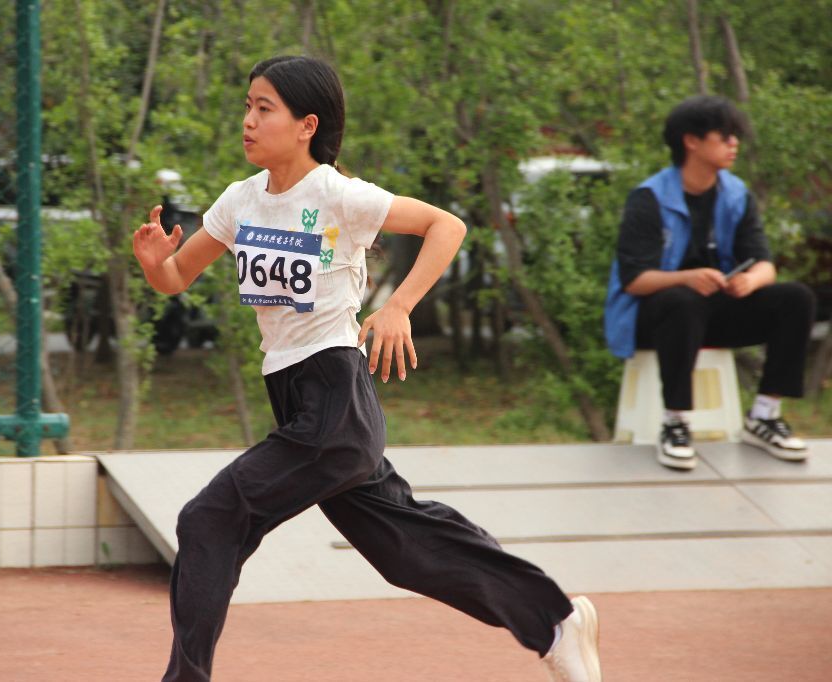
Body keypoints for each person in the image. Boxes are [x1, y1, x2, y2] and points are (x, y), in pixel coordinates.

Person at [133, 56, 602, 682]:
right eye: (247, 106)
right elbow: (176, 278)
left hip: (333, 396)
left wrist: (398, 306)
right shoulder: (239, 201)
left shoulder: (336, 194)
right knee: (405, 549)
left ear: (307, 125)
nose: (248, 121)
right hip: (296, 397)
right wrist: (154, 264)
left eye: (264, 109)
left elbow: (446, 225)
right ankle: (555, 621)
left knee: (210, 517)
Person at [605, 95, 816, 471]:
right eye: (725, 136)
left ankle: (764, 414)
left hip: (712, 314)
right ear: (691, 141)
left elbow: (765, 264)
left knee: (796, 298)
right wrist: (687, 277)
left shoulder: (736, 194)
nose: (734, 144)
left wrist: (749, 281)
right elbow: (634, 280)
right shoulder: (649, 198)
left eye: (736, 136)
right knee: (682, 300)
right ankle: (675, 423)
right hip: (653, 318)